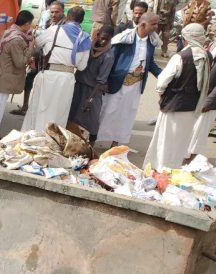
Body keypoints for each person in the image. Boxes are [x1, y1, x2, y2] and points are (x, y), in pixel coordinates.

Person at [145, 24, 213, 169]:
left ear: (186, 38)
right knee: (181, 143)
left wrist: (161, 96)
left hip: (174, 106)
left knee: (165, 143)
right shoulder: (207, 55)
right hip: (193, 107)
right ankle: (173, 170)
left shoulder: (181, 57)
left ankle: (160, 171)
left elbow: (162, 82)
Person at [21, 7, 91, 132]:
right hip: (67, 79)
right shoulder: (85, 38)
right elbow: (82, 66)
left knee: (41, 109)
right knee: (59, 113)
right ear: (81, 20)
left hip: (49, 75)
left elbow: (38, 42)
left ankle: (33, 138)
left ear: (67, 17)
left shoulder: (55, 30)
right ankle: (52, 142)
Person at [97, 13, 162, 147]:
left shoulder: (151, 42)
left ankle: (115, 145)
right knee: (107, 113)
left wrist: (164, 76)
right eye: (154, 24)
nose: (156, 27)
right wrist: (103, 81)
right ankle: (93, 142)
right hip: (116, 83)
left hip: (135, 86)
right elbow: (110, 60)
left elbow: (150, 63)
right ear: (143, 24)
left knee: (126, 116)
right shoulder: (124, 39)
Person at [0, 11, 35, 144]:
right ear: (26, 24)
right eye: (30, 24)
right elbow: (20, 62)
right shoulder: (17, 39)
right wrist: (30, 48)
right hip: (2, 79)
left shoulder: (8, 32)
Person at [12, 1, 66, 116]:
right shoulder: (49, 21)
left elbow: (42, 38)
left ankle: (37, 111)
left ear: (62, 12)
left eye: (57, 12)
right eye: (52, 12)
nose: (54, 14)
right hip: (40, 57)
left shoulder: (65, 26)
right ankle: (26, 107)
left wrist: (36, 34)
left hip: (52, 61)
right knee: (30, 80)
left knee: (44, 87)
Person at [68, 25, 116, 143]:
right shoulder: (87, 47)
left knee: (91, 120)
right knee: (72, 115)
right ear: (98, 35)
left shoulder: (108, 56)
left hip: (93, 91)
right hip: (78, 86)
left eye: (107, 39)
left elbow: (101, 80)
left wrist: (90, 100)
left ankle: (90, 147)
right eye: (102, 38)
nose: (104, 41)